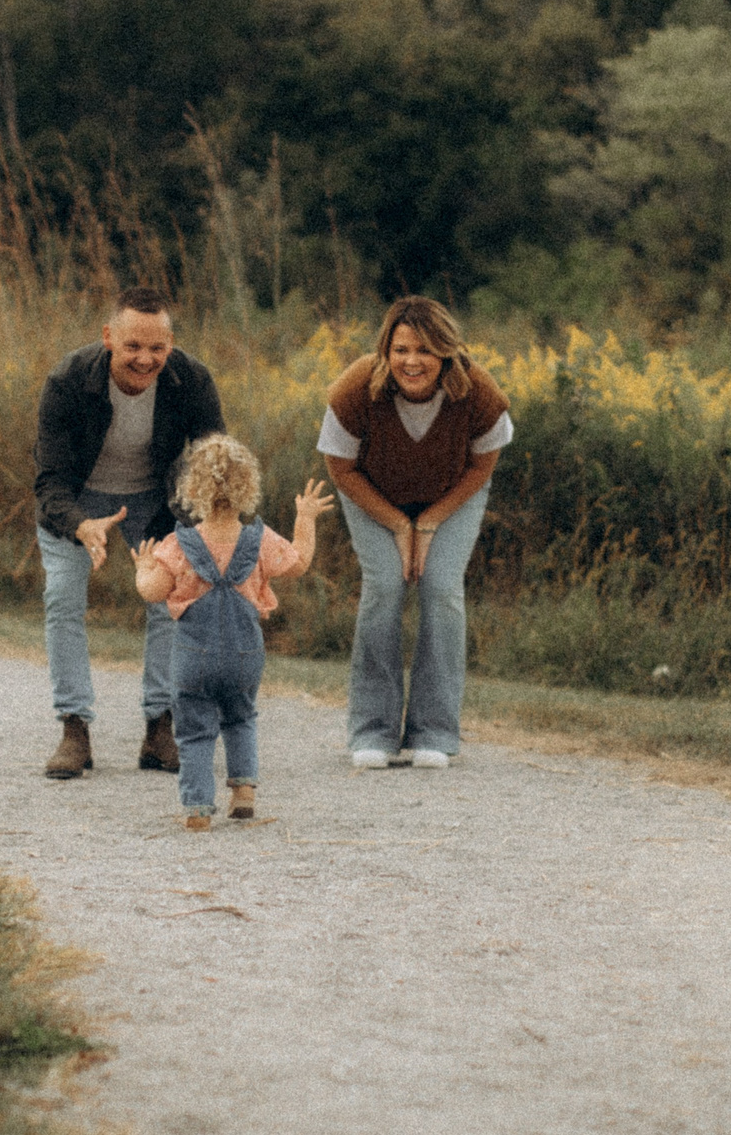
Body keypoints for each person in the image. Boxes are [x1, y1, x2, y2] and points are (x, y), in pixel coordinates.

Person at [33, 285, 225, 780]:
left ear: (171, 344)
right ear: (108, 339)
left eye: (157, 348)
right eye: (133, 346)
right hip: (76, 500)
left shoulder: (192, 380)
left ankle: (160, 725)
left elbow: (213, 463)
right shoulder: (68, 380)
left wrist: (203, 526)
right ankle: (74, 725)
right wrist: (79, 524)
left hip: (154, 500)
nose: (145, 360)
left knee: (168, 599)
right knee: (63, 598)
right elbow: (48, 480)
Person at [320, 296, 513, 771]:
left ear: (446, 352)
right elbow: (341, 469)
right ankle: (373, 731)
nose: (412, 361)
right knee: (384, 586)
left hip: (452, 495)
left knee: (441, 588)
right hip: (370, 493)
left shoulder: (478, 390)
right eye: (401, 349)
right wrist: (397, 524)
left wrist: (427, 523)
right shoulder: (356, 388)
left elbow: (482, 466)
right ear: (386, 349)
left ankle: (435, 731)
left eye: (425, 350)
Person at [132, 436, 333, 830]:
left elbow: (153, 592)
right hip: (245, 656)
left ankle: (197, 809)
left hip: (193, 658)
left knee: (193, 731)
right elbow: (300, 562)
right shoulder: (260, 541)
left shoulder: (178, 545)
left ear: (193, 489)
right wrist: (305, 517)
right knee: (240, 718)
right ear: (248, 487)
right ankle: (243, 793)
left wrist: (142, 568)